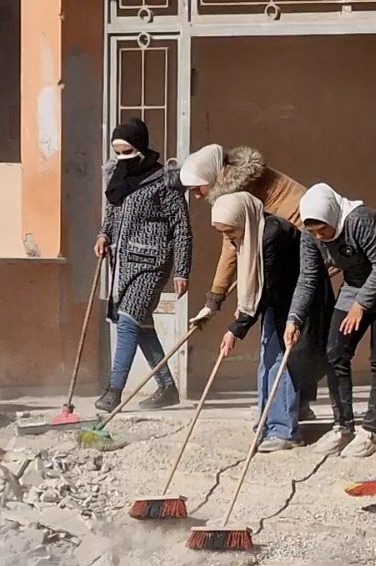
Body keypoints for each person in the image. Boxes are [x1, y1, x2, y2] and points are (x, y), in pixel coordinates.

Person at [179, 142, 321, 420]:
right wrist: (214, 300)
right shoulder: (237, 186)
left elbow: (232, 249)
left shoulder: (239, 192)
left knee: (288, 336)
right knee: (281, 337)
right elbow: (235, 245)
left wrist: (227, 311)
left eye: (197, 189)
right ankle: (288, 407)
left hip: (304, 254)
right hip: (287, 256)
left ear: (210, 177)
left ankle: (290, 412)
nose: (196, 196)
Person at [286, 184, 376, 459]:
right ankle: (342, 425)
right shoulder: (310, 236)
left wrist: (361, 306)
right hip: (355, 285)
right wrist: (294, 318)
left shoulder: (360, 220)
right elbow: (308, 277)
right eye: (315, 232)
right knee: (335, 353)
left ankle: (372, 430)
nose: (320, 236)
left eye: (324, 229)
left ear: (332, 216)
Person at [93, 118, 192, 412]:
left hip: (153, 262)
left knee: (127, 322)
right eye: (117, 152)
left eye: (127, 151)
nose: (122, 158)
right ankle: (167, 387)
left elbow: (182, 229)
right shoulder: (118, 178)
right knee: (141, 325)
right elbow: (112, 214)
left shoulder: (164, 182)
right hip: (123, 263)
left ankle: (114, 392)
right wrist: (103, 235)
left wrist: (182, 271)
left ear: (140, 147)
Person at [211, 192, 312, 452]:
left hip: (292, 303)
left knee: (281, 362)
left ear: (242, 220)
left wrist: (237, 328)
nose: (230, 239)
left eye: (231, 231)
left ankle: (284, 431)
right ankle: (267, 420)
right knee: (267, 360)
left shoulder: (272, 236)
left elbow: (266, 288)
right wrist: (239, 321)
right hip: (274, 303)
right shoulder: (252, 232)